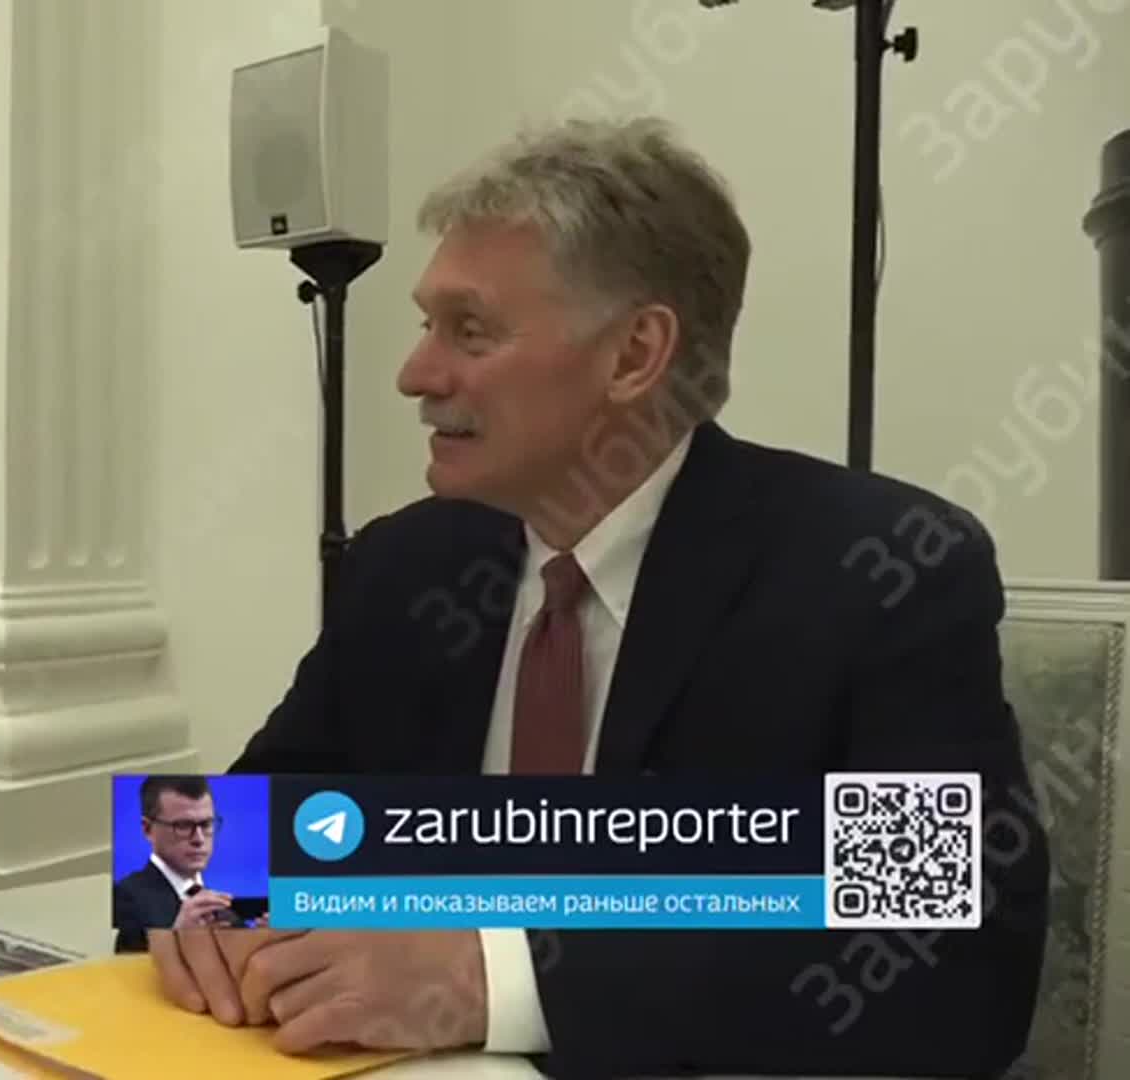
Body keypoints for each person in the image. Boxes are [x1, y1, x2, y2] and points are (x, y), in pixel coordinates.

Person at [147, 117, 1049, 1078]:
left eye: (470, 330)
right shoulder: (409, 565)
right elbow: (247, 829)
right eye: (426, 325)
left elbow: (948, 966)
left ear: (634, 355)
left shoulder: (877, 574)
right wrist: (198, 905)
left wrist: (491, 980)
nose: (416, 375)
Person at [112, 776, 237, 951]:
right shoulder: (124, 899)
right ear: (148, 829)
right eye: (183, 826)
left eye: (206, 824)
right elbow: (123, 964)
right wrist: (176, 940)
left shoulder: (225, 912)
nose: (199, 839)